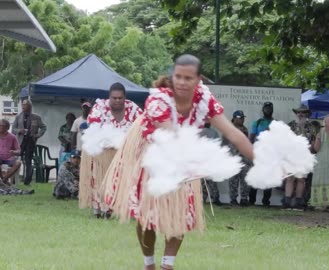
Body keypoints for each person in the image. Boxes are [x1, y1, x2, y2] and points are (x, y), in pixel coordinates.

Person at [102, 54, 254, 270]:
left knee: (180, 211)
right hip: (154, 151)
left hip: (185, 151)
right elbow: (171, 135)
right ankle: (149, 264)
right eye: (178, 77)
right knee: (148, 216)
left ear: (198, 79)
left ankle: (167, 266)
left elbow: (233, 133)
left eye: (188, 78)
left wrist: (263, 160)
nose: (182, 82)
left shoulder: (205, 100)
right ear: (172, 76)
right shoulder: (158, 100)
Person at [79, 83, 142, 218]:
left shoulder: (134, 109)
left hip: (123, 153)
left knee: (121, 181)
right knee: (100, 180)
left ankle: (120, 208)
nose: (117, 101)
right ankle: (100, 209)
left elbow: (141, 127)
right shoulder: (100, 107)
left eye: (120, 98)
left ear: (125, 98)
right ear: (109, 97)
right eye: (114, 98)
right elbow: (93, 129)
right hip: (101, 153)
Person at [283, 105, 316, 209]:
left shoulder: (311, 127)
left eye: (303, 112)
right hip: (291, 156)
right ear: (296, 114)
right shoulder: (291, 125)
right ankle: (287, 202)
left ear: (306, 114)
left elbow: (314, 141)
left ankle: (298, 202)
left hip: (304, 156)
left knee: (301, 179)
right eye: (299, 112)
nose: (300, 114)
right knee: (290, 178)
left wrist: (311, 150)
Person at [12, 99, 47, 186]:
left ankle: (27, 181)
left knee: (28, 161)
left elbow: (44, 127)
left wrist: (38, 135)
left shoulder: (36, 117)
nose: (23, 106)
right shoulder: (18, 117)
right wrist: (20, 130)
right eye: (23, 105)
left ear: (30, 106)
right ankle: (13, 180)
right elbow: (13, 129)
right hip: (20, 142)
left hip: (30, 141)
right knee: (16, 160)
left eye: (26, 105)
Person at [248, 101, 274, 206]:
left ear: (272, 110)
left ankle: (266, 201)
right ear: (263, 110)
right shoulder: (257, 123)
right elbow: (251, 139)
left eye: (269, 108)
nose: (268, 110)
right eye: (266, 108)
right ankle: (252, 201)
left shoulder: (276, 123)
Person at [224, 110, 251, 206]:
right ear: (235, 118)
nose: (242, 119)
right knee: (233, 181)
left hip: (244, 159)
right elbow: (224, 145)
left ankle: (244, 199)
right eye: (241, 118)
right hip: (233, 159)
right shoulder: (229, 129)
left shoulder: (245, 129)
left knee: (244, 180)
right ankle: (233, 199)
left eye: (243, 118)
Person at [199, 120, 222, 205]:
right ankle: (203, 199)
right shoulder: (197, 131)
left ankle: (214, 198)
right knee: (203, 182)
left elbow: (218, 146)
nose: (208, 122)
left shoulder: (213, 132)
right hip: (201, 161)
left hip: (210, 161)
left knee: (210, 181)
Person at [0, 119, 21, 185]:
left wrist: (14, 152)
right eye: (0, 125)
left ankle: (3, 180)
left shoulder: (12, 137)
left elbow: (19, 151)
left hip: (9, 159)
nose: (1, 127)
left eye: (3, 125)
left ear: (7, 127)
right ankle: (4, 180)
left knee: (18, 162)